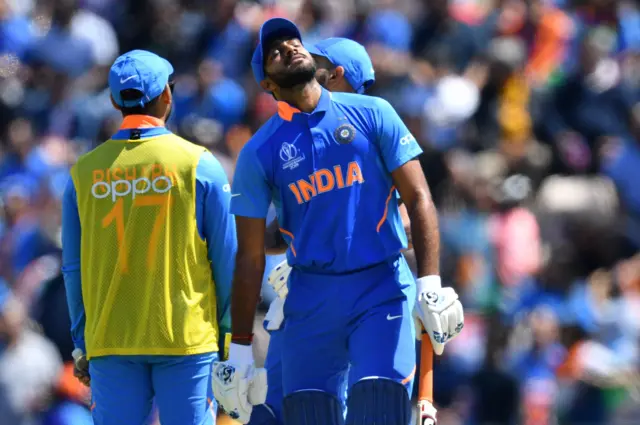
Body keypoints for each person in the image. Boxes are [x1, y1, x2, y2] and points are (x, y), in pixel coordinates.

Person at [212, 18, 463, 425]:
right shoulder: (258, 152)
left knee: (378, 409)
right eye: (276, 51)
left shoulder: (374, 112)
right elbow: (251, 256)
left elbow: (419, 197)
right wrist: (240, 348)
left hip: (380, 286)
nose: (290, 48)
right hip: (310, 296)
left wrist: (430, 283)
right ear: (267, 83)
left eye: (294, 42)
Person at [61, 50, 236, 425]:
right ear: (167, 96)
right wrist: (227, 333)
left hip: (111, 339)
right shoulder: (198, 163)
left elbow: (73, 268)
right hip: (187, 339)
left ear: (112, 100)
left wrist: (82, 343)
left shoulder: (82, 173)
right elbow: (226, 257)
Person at [253, 37, 413, 425]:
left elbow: (408, 212)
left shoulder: (370, 124)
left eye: (316, 60)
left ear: (335, 76)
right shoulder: (289, 134)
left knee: (373, 405)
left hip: (373, 285)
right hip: (308, 288)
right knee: (275, 409)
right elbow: (282, 232)